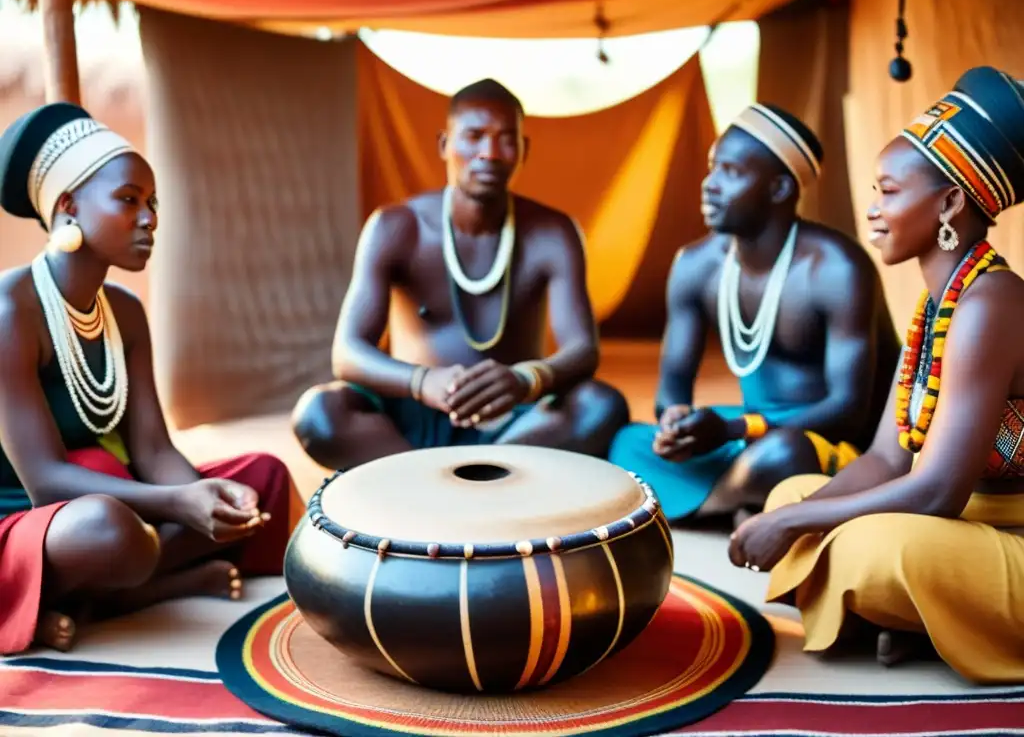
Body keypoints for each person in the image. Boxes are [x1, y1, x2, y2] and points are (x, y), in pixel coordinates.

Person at [729, 66, 1024, 683]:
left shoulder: (992, 303)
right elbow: (888, 459)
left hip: (1005, 541)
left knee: (871, 545)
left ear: (948, 203)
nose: (872, 210)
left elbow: (936, 490)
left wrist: (788, 526)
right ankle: (929, 623)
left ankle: (927, 618)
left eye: (889, 192)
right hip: (961, 526)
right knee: (791, 493)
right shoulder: (934, 305)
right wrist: (787, 513)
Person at [0, 103, 299, 656]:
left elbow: (154, 447)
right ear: (68, 207)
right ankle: (137, 584)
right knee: (110, 531)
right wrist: (177, 503)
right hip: (26, 517)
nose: (150, 218)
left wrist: (204, 498)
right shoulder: (10, 310)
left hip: (110, 494)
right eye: (129, 200)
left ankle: (105, 593)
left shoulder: (124, 311)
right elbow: (44, 480)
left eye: (153, 203)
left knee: (264, 481)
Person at [291, 79, 629, 469]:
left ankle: (451, 481)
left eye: (506, 138)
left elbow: (583, 351)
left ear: (524, 150)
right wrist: (422, 382)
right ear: (444, 145)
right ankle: (478, 482)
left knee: (601, 404)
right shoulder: (397, 227)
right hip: (412, 418)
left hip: (514, 423)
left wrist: (525, 380)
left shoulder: (552, 233)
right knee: (320, 412)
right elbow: (347, 353)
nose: (489, 153)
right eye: (474, 136)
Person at [608, 103, 901, 526]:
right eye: (713, 168)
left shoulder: (836, 268)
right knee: (628, 444)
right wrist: (675, 421)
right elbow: (670, 390)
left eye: (731, 172)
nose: (709, 185)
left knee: (784, 455)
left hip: (827, 444)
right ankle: (740, 499)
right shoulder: (696, 265)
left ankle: (699, 504)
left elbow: (848, 410)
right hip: (745, 434)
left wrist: (732, 431)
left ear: (780, 189)